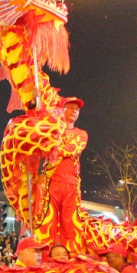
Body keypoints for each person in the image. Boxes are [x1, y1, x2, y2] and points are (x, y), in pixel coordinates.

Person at [42, 97, 88, 253]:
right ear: (62, 110)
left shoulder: (81, 134)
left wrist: (54, 148)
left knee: (70, 225)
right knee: (48, 223)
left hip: (71, 185)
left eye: (77, 109)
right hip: (51, 183)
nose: (75, 111)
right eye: (71, 107)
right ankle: (45, 258)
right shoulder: (51, 131)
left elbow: (73, 148)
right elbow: (42, 146)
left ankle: (72, 259)